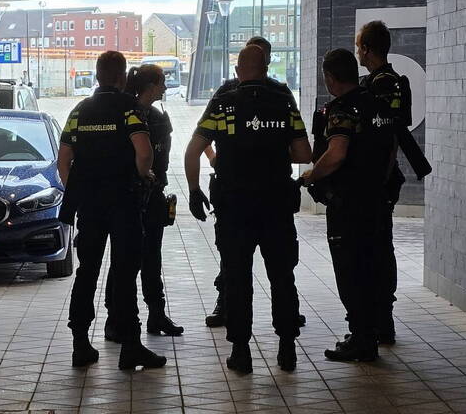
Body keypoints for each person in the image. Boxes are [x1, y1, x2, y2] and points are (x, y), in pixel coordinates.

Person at [185, 46, 311, 373]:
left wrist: (195, 190)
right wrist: (272, 148)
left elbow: (194, 150)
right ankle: (286, 348)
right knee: (282, 276)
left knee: (237, 278)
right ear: (266, 68)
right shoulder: (283, 100)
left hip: (234, 206)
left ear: (239, 69)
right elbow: (302, 153)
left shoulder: (224, 102)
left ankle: (241, 352)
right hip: (275, 204)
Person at [59, 51, 167, 371]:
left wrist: (80, 189)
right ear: (121, 78)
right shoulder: (129, 108)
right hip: (123, 201)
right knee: (124, 273)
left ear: (96, 76)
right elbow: (144, 152)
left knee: (87, 272)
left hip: (90, 205)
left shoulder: (80, 110)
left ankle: (80, 343)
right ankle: (130, 346)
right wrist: (142, 175)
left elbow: (63, 160)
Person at [301, 48, 396, 362]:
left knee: (351, 270)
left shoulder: (343, 110)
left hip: (350, 205)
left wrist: (312, 175)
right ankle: (375, 328)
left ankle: (361, 338)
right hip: (378, 201)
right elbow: (391, 150)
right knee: (374, 265)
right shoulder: (377, 105)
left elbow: (337, 153)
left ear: (330, 78)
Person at [356, 21, 427, 345]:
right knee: (379, 247)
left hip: (378, 180)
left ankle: (380, 320)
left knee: (376, 249)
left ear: (367, 48)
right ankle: (380, 319)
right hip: (382, 178)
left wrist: (380, 180)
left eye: (360, 46)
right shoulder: (389, 81)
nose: (358, 51)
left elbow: (387, 137)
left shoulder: (382, 84)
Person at [104, 65, 183, 340]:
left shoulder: (159, 117)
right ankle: (115, 318)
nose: (165, 88)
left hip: (153, 195)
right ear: (152, 85)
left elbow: (163, 158)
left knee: (152, 257)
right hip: (129, 196)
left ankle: (156, 314)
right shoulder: (126, 113)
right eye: (162, 82)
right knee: (124, 260)